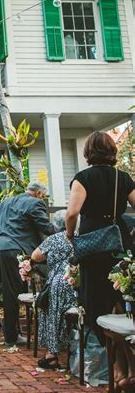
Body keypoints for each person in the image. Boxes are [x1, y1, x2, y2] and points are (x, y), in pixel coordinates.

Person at [66, 131, 135, 338]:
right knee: (122, 298)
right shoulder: (122, 177)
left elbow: (72, 213)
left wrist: (70, 234)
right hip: (119, 242)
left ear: (88, 152)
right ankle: (124, 364)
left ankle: (108, 360)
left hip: (92, 245)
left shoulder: (83, 178)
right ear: (112, 151)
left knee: (95, 302)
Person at [0, 180, 55, 346]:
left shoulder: (5, 202)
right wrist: (65, 233)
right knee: (11, 291)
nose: (42, 199)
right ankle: (11, 336)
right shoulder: (35, 203)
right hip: (12, 249)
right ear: (39, 193)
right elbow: (44, 227)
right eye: (43, 196)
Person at [31, 210, 77, 369]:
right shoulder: (81, 237)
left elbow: (35, 257)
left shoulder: (53, 239)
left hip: (58, 282)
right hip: (77, 282)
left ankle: (52, 354)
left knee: (51, 312)